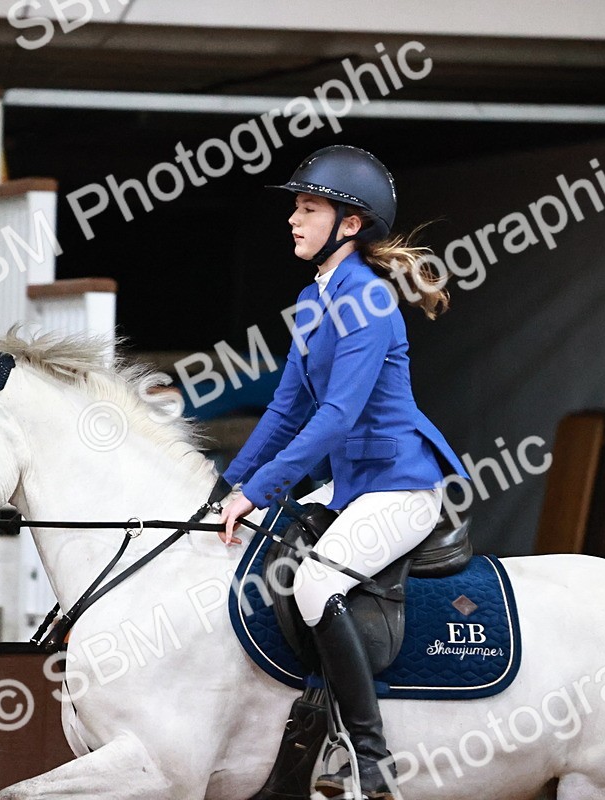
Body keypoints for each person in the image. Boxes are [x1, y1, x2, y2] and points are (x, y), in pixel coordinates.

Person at [218, 144, 471, 799]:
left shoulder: (370, 304)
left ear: (349, 225)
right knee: (261, 550)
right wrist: (230, 487)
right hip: (353, 482)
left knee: (311, 585)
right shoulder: (313, 301)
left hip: (400, 484)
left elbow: (333, 418)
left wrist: (262, 487)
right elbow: (284, 410)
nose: (294, 221)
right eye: (296, 210)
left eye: (309, 209)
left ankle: (370, 757)